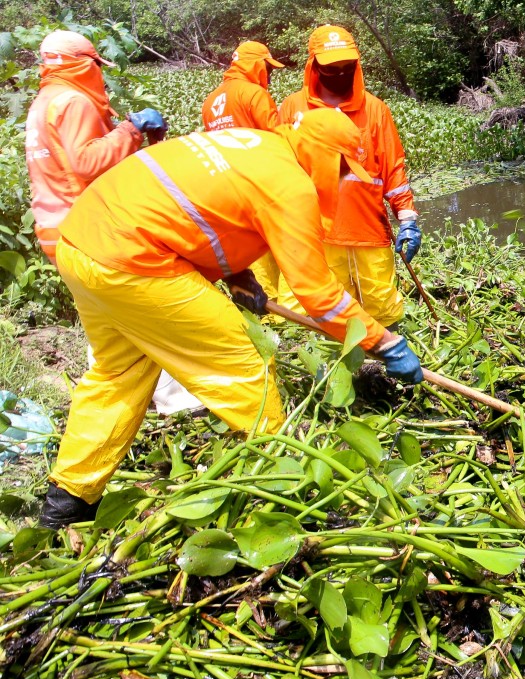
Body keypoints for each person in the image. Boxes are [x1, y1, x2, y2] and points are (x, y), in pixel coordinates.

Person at [38, 109, 425, 528]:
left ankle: (68, 501)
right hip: (135, 259)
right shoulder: (289, 184)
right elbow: (318, 294)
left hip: (82, 245)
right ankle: (283, 481)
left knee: (119, 374)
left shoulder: (255, 144)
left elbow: (205, 208)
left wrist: (237, 275)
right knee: (245, 360)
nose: (343, 180)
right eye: (342, 170)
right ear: (323, 155)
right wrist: (384, 342)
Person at [24, 29, 201, 416]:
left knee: (105, 319)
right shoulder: (73, 101)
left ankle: (111, 401)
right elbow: (84, 163)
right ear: (83, 64)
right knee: (151, 306)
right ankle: (181, 402)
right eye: (95, 66)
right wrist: (131, 130)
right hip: (89, 227)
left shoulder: (43, 103)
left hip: (55, 229)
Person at [277, 25, 421, 328]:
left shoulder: (375, 110)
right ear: (314, 66)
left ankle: (384, 361)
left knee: (381, 307)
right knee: (321, 311)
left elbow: (393, 169)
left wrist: (407, 220)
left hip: (368, 228)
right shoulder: (293, 108)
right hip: (315, 232)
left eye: (347, 66)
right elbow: (278, 168)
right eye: (332, 67)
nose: (340, 72)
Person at [202, 40, 287, 302]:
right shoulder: (253, 93)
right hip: (259, 181)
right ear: (255, 65)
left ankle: (267, 310)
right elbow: (277, 137)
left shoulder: (211, 100)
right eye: (267, 68)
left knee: (250, 246)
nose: (269, 75)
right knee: (281, 243)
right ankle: (294, 309)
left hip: (227, 183)